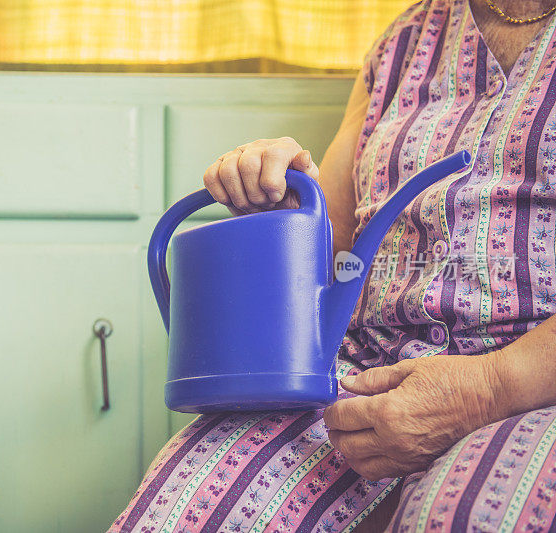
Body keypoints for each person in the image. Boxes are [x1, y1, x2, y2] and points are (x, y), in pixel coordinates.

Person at [110, 0, 556, 530]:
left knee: (468, 517)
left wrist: (489, 386)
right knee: (182, 514)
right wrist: (279, 214)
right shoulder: (405, 39)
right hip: (355, 367)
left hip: (534, 382)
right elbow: (333, 241)